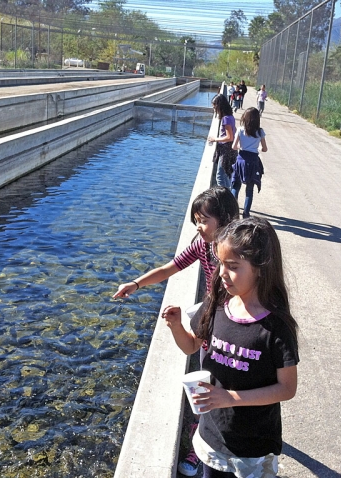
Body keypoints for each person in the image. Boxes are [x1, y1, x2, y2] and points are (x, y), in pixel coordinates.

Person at [113, 186, 239, 478]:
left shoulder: (238, 251)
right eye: (196, 218)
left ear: (226, 219)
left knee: (225, 378)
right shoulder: (201, 244)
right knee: (206, 373)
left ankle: (221, 441)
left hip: (234, 320)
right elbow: (171, 267)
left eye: (204, 219)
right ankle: (202, 442)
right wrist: (135, 283)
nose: (198, 225)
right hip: (212, 313)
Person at [162, 217, 299, 478]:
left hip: (252, 443)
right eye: (221, 264)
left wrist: (229, 397)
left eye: (233, 266)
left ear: (260, 268)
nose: (222, 273)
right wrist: (177, 327)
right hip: (212, 435)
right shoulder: (216, 306)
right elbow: (191, 346)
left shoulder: (276, 327)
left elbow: (287, 388)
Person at [231, 107, 267, 218]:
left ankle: (233, 211)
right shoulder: (260, 132)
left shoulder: (241, 130)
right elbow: (265, 149)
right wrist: (259, 148)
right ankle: (246, 214)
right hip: (253, 161)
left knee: (236, 186)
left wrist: (240, 146)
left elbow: (233, 147)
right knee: (249, 190)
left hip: (241, 160)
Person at [208, 95, 238, 189]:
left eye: (214, 107)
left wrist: (215, 139)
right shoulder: (230, 117)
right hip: (230, 149)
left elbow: (229, 137)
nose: (214, 109)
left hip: (226, 150)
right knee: (226, 176)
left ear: (219, 106)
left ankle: (225, 198)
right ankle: (228, 196)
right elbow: (234, 131)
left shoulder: (225, 119)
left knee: (220, 176)